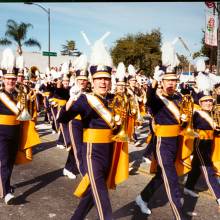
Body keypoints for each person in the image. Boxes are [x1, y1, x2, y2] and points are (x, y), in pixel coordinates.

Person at [57, 40, 128, 220]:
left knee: (91, 194)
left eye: (106, 79)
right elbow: (63, 119)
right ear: (92, 81)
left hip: (109, 151)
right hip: (92, 152)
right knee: (102, 197)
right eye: (99, 79)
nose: (103, 82)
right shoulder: (85, 99)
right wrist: (70, 102)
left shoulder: (114, 100)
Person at [135, 59, 187, 219]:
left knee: (161, 176)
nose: (171, 83)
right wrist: (155, 81)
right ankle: (179, 214)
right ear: (163, 82)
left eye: (174, 80)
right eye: (168, 80)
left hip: (176, 141)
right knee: (171, 179)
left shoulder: (179, 97)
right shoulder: (157, 98)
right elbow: (149, 99)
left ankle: (142, 198)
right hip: (162, 143)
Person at [183, 90, 220, 206]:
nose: (209, 103)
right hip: (200, 143)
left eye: (210, 100)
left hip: (209, 143)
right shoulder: (197, 113)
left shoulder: (213, 113)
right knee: (207, 169)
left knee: (196, 167)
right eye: (206, 101)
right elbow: (185, 125)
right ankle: (219, 196)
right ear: (201, 103)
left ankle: (188, 187)